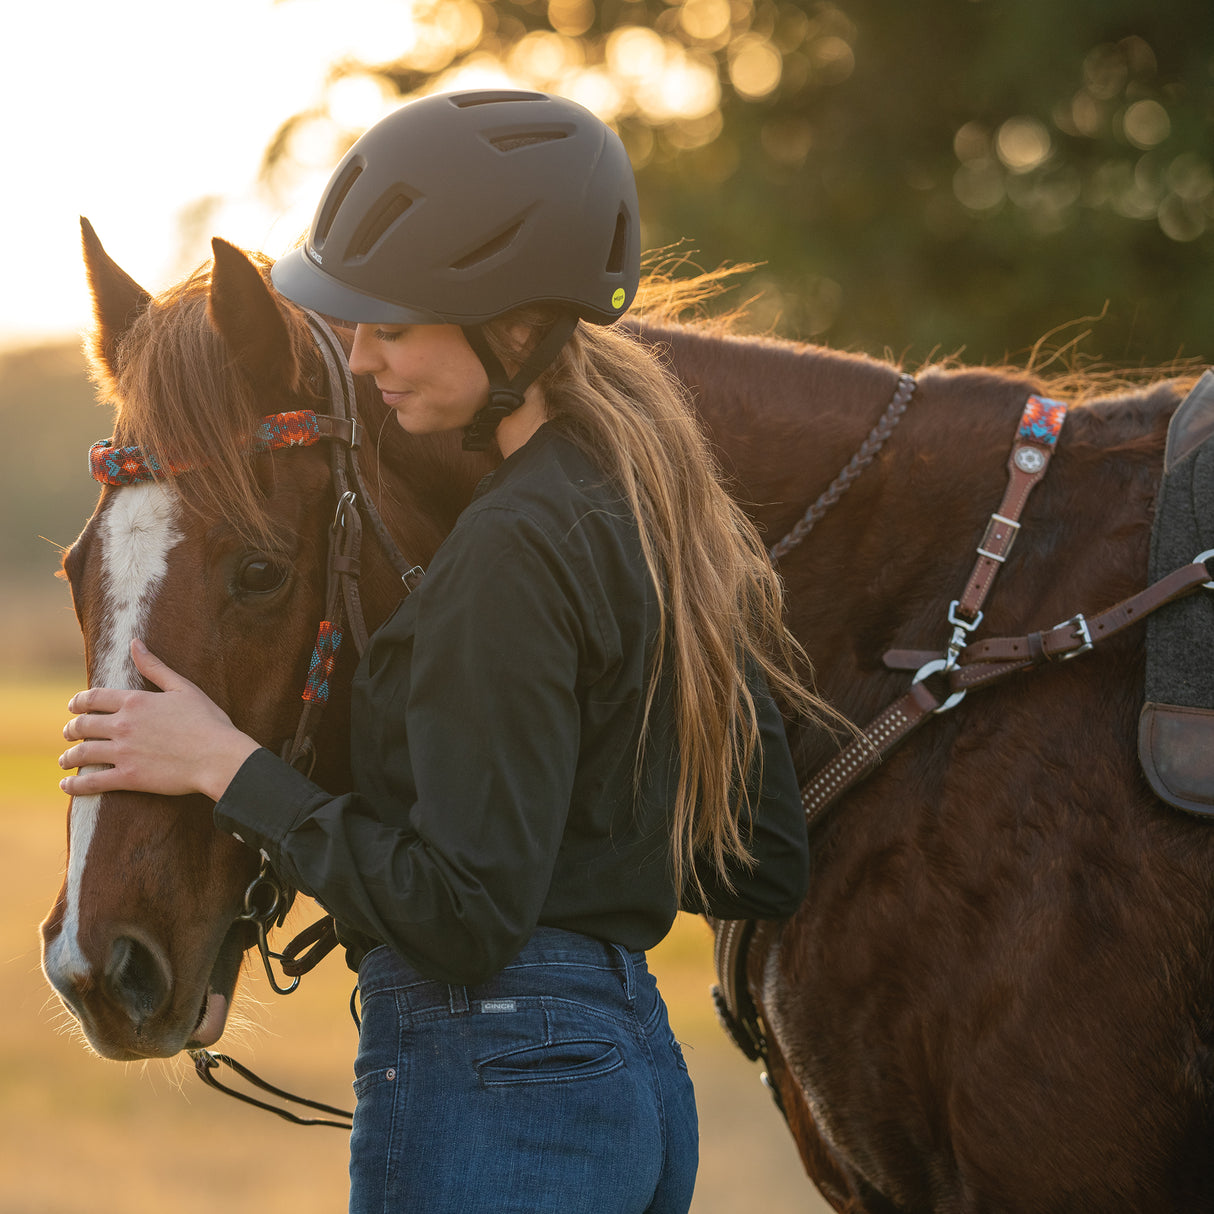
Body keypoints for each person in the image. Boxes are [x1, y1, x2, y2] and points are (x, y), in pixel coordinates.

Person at [58, 90, 822, 1214]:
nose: (361, 360)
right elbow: (756, 855)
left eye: (392, 325)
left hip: (494, 1082)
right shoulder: (643, 514)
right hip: (627, 1077)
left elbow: (467, 915)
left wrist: (228, 767)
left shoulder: (507, 549)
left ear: (512, 327)